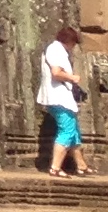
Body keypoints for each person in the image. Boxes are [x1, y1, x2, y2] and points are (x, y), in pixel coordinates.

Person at [38, 21, 88, 175]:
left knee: (74, 132)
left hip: (62, 97)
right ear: (69, 41)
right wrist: (72, 78)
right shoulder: (56, 50)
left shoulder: (58, 50)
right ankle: (55, 167)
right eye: (73, 43)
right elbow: (56, 73)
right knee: (66, 131)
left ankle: (81, 166)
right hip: (58, 97)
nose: (73, 46)